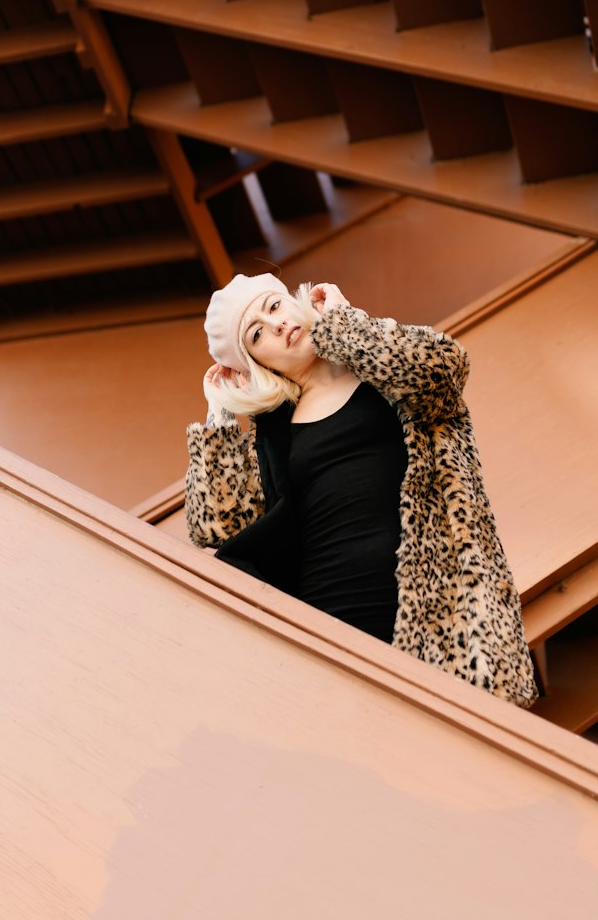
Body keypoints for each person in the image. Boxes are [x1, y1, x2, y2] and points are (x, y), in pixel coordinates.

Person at [184, 272, 537, 708]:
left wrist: (347, 324)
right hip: (328, 614)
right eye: (256, 335)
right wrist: (219, 413)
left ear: (296, 302)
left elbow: (444, 369)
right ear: (259, 364)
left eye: (274, 306)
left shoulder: (379, 371)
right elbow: (215, 529)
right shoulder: (274, 434)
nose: (275, 325)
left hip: (434, 603)